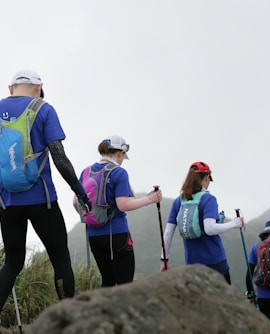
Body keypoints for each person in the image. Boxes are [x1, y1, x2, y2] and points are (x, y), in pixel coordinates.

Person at [0, 70, 91, 316]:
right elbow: (59, 157)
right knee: (60, 259)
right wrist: (79, 191)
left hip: (7, 202)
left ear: (10, 88)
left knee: (12, 263)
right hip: (43, 200)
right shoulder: (44, 109)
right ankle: (67, 320)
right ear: (39, 87)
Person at [73, 135, 162, 287]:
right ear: (120, 153)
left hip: (94, 236)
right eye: (123, 156)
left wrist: (93, 217)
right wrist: (150, 199)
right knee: (124, 284)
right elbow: (123, 204)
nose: (122, 160)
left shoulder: (86, 172)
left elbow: (75, 202)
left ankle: (103, 311)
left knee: (107, 281)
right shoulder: (119, 172)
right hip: (117, 233)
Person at [159, 161, 245, 284]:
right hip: (215, 262)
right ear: (206, 178)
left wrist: (164, 260)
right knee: (223, 301)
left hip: (192, 263)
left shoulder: (179, 201)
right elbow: (209, 229)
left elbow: (167, 233)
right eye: (209, 179)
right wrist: (234, 224)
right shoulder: (208, 199)